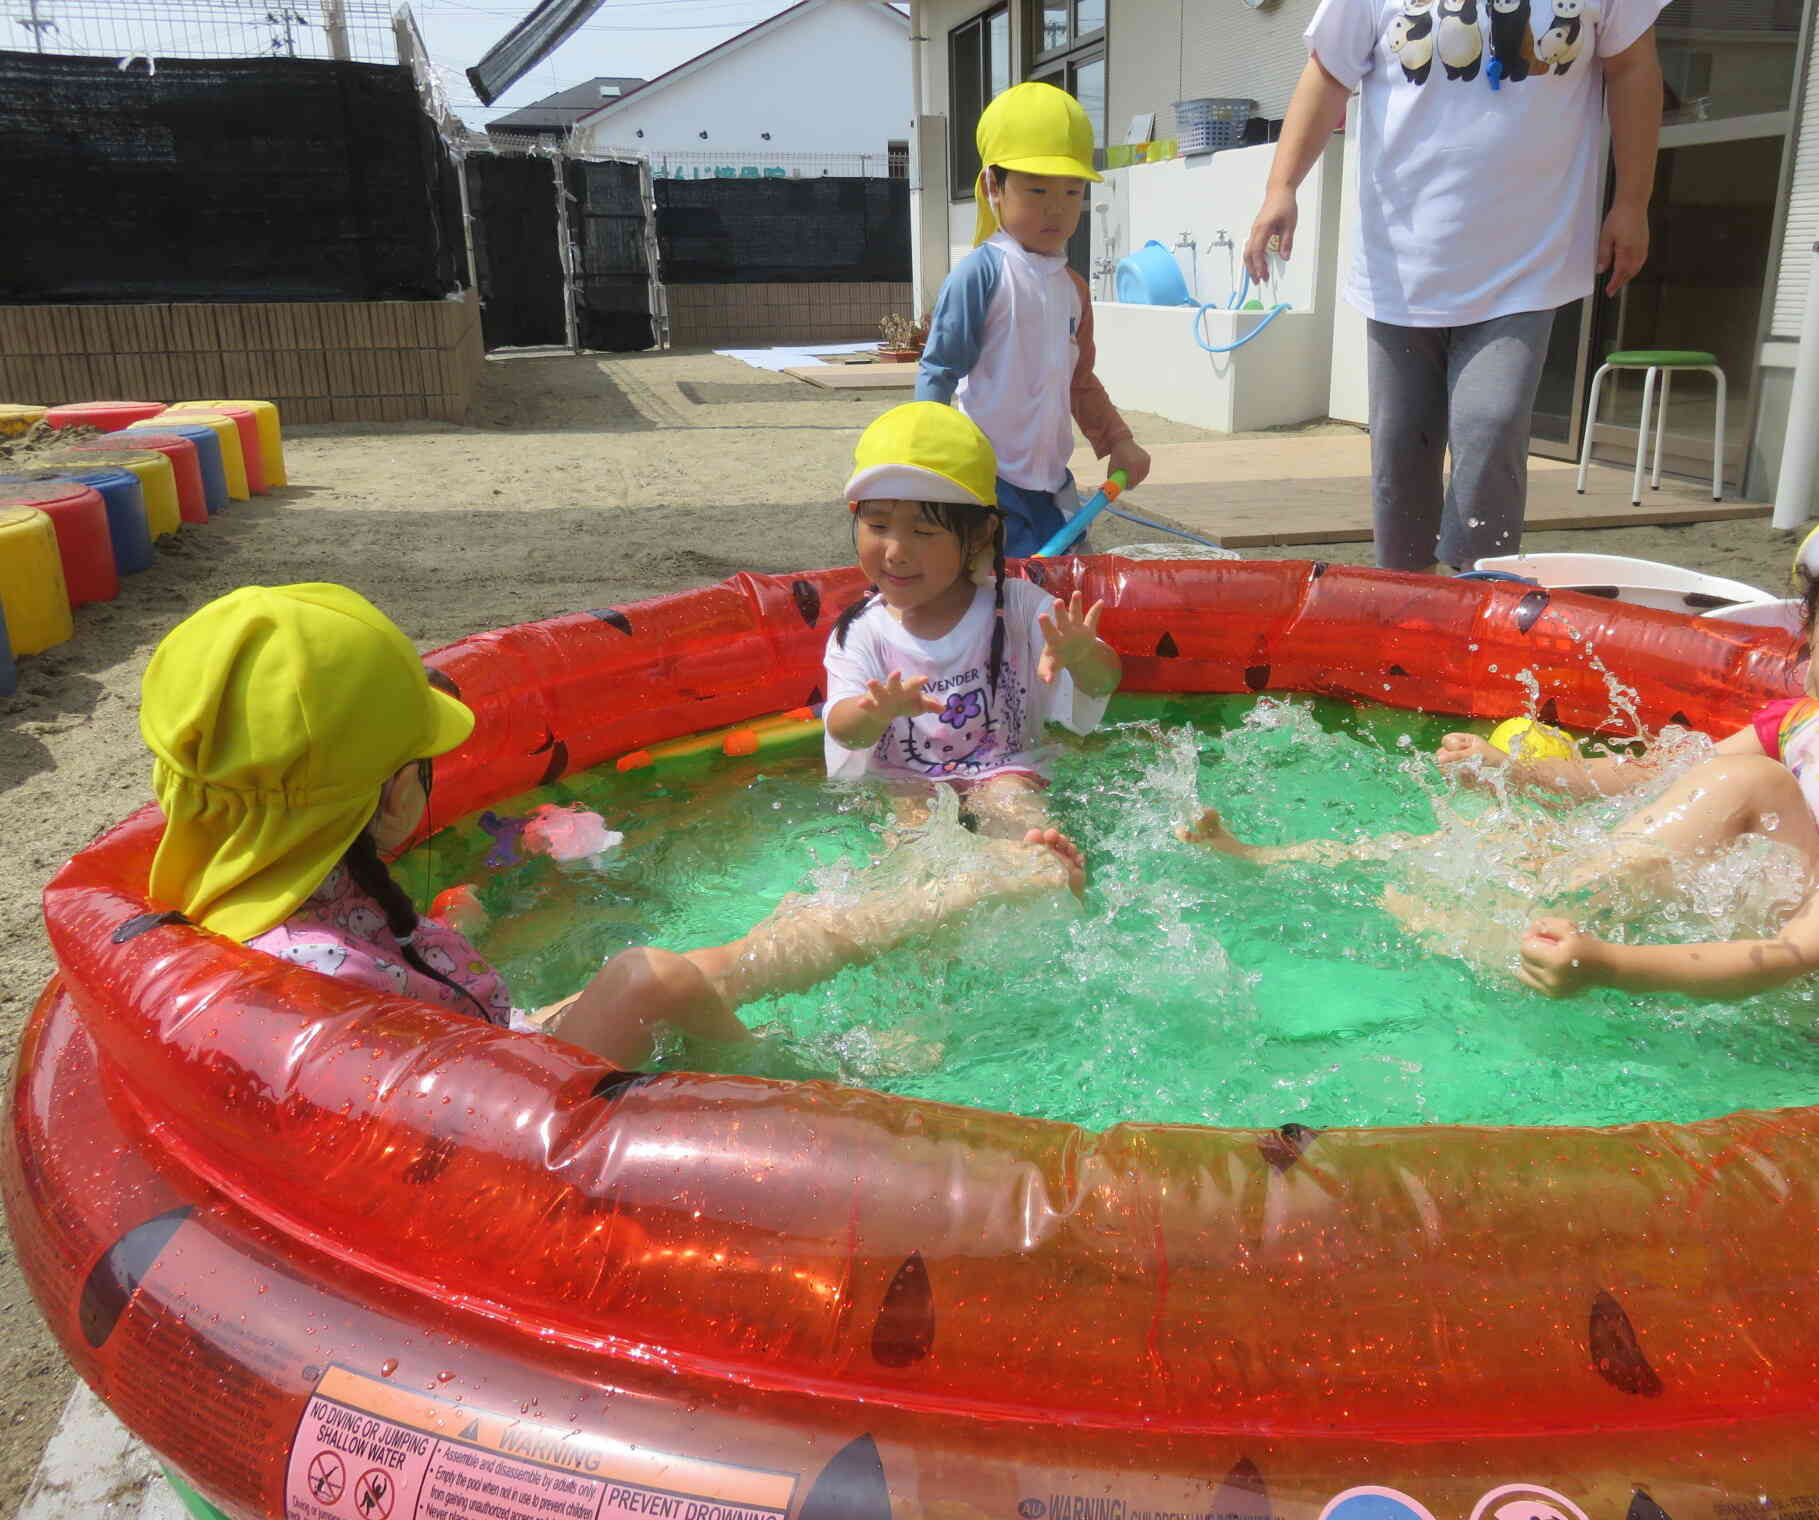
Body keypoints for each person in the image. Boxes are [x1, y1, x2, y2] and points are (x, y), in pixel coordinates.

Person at [1193, 478, 1819, 1030]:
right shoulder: (1808, 724)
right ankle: (1281, 859)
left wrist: (1611, 968)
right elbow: (1659, 777)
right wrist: (1528, 774)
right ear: (1808, 642)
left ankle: (1522, 925)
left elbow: (1800, 958)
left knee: (1735, 788)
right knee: (1557, 835)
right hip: (1813, 911)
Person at [138, 582, 1084, 1072]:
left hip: (495, 1046)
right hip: (513, 1103)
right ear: (390, 798)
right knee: (653, 976)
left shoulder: (260, 904)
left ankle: (975, 883)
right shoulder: (325, 979)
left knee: (764, 943)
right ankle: (798, 1074)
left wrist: (454, 939)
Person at [1245, 0, 1668, 573]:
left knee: (1491, 428)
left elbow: (1633, 68)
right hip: (1404, 258)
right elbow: (1328, 72)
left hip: (1528, 255)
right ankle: (1403, 600)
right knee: (1401, 449)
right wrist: (1281, 187)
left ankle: (1477, 605)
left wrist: (1633, 201)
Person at [825, 400, 1121, 854]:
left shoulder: (1020, 607)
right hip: (909, 782)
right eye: (878, 524)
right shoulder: (864, 630)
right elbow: (845, 730)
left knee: (1024, 821)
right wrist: (875, 711)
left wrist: (1082, 657)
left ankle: (1042, 871)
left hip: (1005, 769)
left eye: (923, 532)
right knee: (912, 842)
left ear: (980, 535)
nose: (896, 551)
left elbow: (1106, 682)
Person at [916, 81, 1152, 558]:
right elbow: (939, 371)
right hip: (988, 481)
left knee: (1062, 590)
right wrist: (926, 465)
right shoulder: (980, 275)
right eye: (1037, 189)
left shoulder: (1072, 289)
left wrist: (1118, 441)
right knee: (999, 596)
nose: (1056, 208)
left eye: (1071, 191)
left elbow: (1078, 381)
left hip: (1051, 480)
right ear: (992, 187)